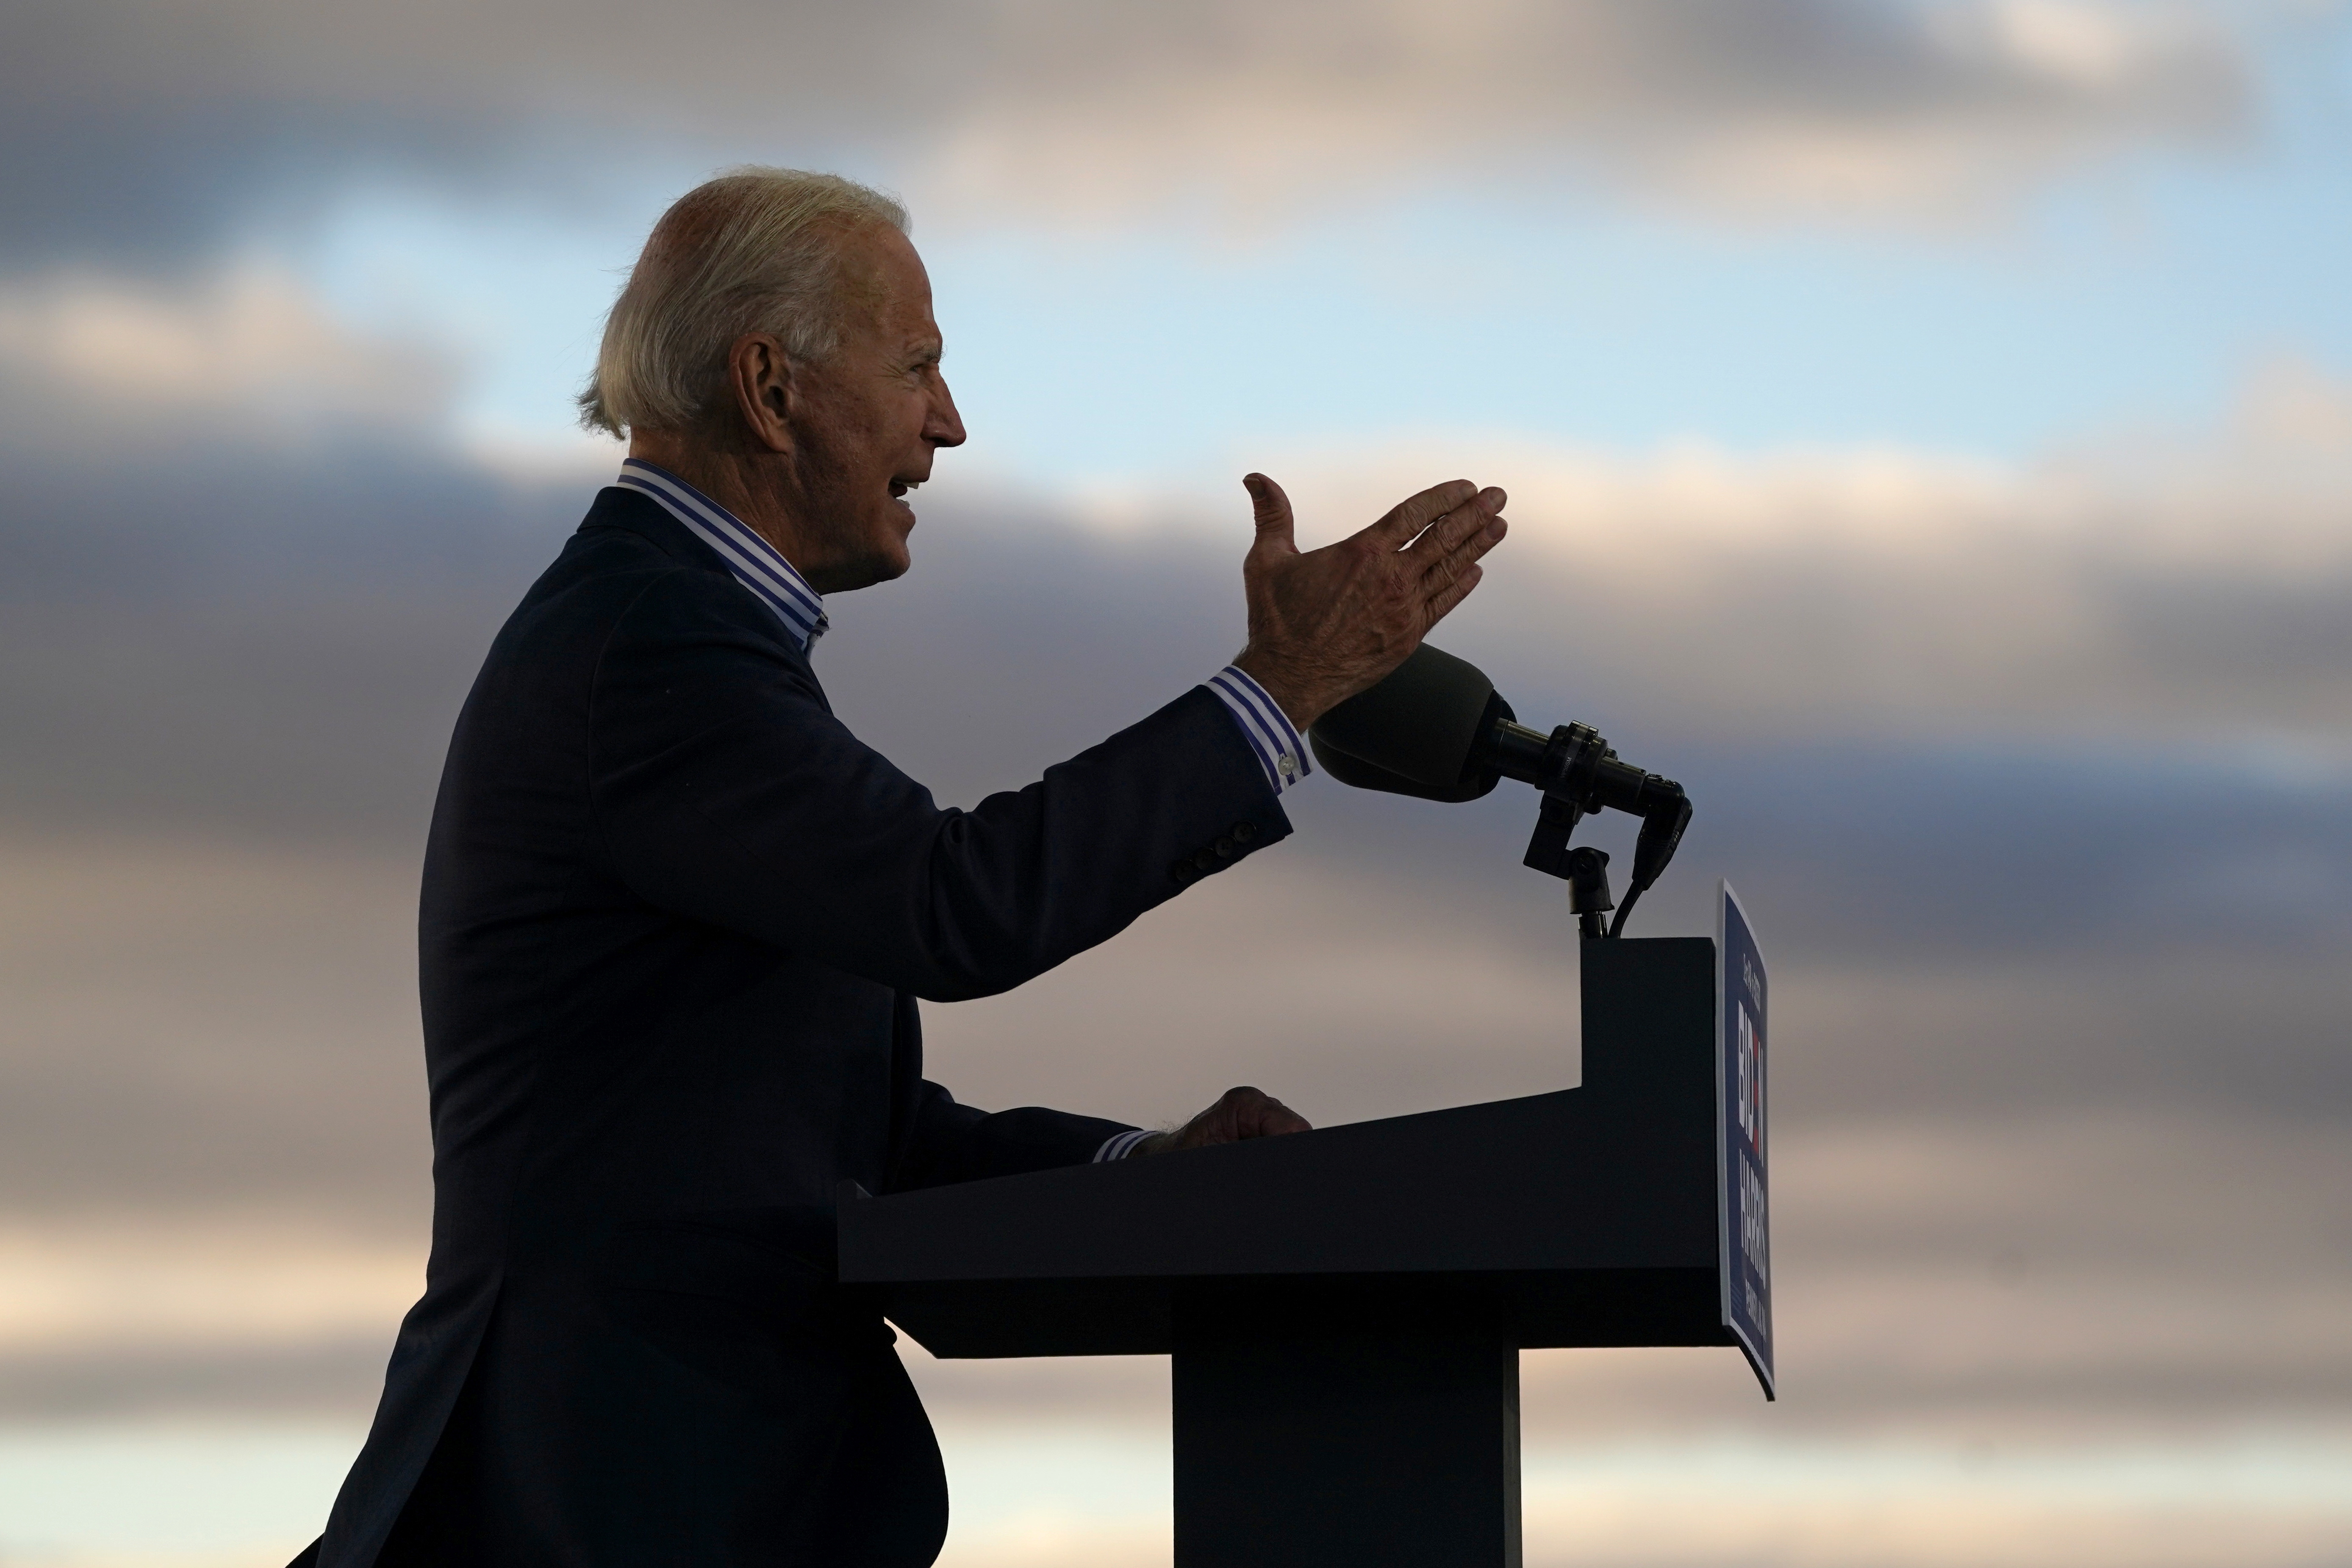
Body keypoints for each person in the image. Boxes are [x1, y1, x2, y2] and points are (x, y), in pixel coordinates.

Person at [294, 167, 1506, 1568]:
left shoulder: (688, 639)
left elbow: (847, 1144)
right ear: (770, 388)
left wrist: (1145, 1171)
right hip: (594, 1502)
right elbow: (956, 907)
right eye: (918, 364)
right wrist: (1280, 690)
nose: (951, 421)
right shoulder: (653, 649)